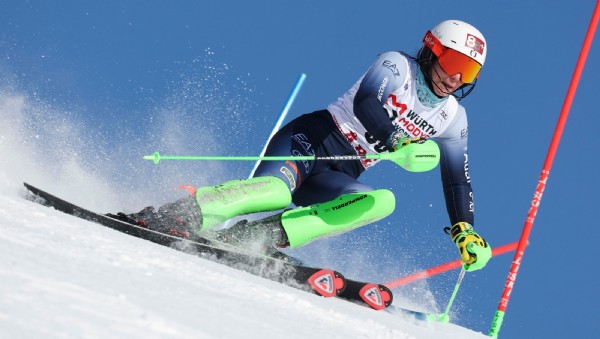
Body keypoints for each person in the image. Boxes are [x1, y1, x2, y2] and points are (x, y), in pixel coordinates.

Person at [114, 19, 492, 271]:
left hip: (343, 171)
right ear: (433, 49)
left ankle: (252, 238)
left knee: (379, 202)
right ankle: (182, 212)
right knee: (276, 191)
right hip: (312, 141)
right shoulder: (397, 66)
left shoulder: (452, 117)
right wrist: (395, 143)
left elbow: (457, 178)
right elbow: (367, 104)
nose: (457, 78)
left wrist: (464, 229)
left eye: (469, 71)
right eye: (455, 61)